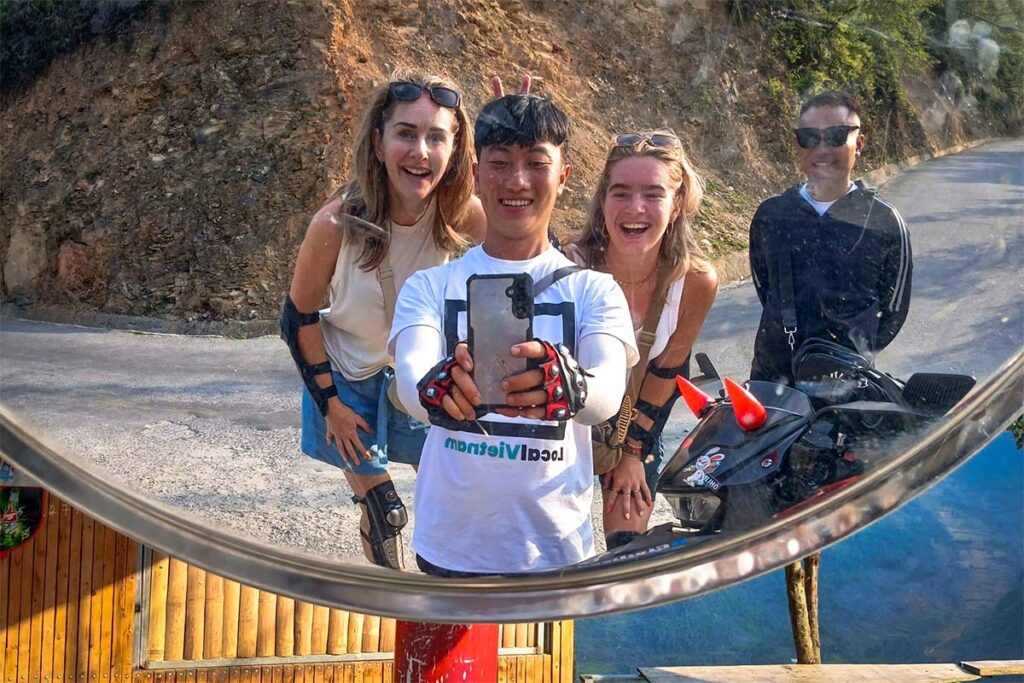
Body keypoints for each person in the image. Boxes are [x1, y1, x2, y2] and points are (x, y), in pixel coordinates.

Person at [389, 93, 638, 575]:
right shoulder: (430, 286)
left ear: (563, 176)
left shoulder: (596, 292)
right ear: (476, 174)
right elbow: (409, 379)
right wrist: (435, 390)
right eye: (499, 163)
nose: (517, 181)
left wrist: (570, 384)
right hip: (450, 549)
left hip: (556, 552)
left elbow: (607, 392)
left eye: (536, 164)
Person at [280, 72, 485, 570]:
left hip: (418, 377)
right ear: (378, 142)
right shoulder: (335, 225)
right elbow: (296, 318)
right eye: (405, 134)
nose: (420, 151)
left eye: (436, 136)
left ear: (455, 149)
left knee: (459, 495)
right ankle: (390, 591)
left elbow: (528, 258)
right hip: (345, 378)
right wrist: (329, 405)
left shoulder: (464, 215)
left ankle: (444, 597)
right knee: (387, 512)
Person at [565, 130, 718, 549]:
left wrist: (632, 455)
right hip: (568, 423)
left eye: (653, 194)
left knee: (626, 546)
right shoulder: (568, 265)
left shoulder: (695, 281)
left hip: (636, 422)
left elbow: (666, 373)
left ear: (676, 205)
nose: (635, 208)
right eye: (621, 193)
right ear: (603, 203)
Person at [748, 90, 913, 385]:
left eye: (836, 136)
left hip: (847, 384)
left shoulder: (884, 221)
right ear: (797, 144)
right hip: (772, 382)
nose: (822, 149)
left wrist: (850, 349)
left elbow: (892, 311)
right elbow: (766, 288)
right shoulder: (771, 215)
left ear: (858, 144)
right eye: (809, 137)